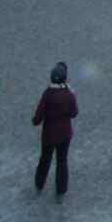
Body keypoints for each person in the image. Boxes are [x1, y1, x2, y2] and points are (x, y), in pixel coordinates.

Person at [32, 62, 77, 197]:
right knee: (62, 161)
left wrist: (35, 120)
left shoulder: (48, 94)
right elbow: (74, 113)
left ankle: (39, 185)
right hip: (65, 134)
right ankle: (61, 191)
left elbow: (38, 117)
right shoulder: (69, 94)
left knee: (45, 160)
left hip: (49, 135)